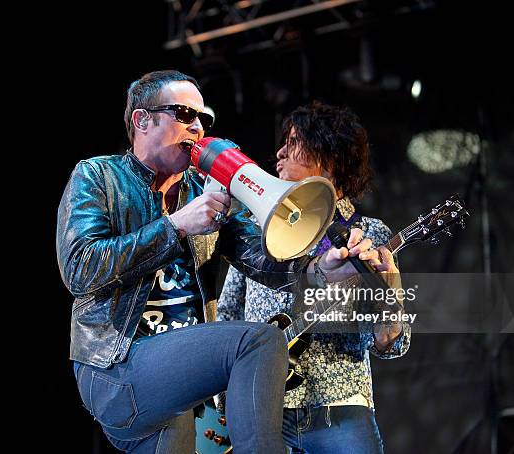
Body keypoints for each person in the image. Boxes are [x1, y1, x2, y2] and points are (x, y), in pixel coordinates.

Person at [56, 71, 383, 453]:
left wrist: (317, 270)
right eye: (183, 114)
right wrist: (176, 225)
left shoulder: (201, 187)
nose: (197, 127)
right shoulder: (98, 175)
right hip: (116, 365)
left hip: (178, 381)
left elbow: (262, 259)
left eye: (202, 119)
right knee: (258, 339)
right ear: (142, 120)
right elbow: (80, 268)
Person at [217, 102, 411, 454]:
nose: (279, 152)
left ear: (329, 157)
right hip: (261, 410)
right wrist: (224, 398)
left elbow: (391, 344)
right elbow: (227, 316)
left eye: (293, 143)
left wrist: (392, 295)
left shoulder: (368, 235)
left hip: (340, 410)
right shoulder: (254, 229)